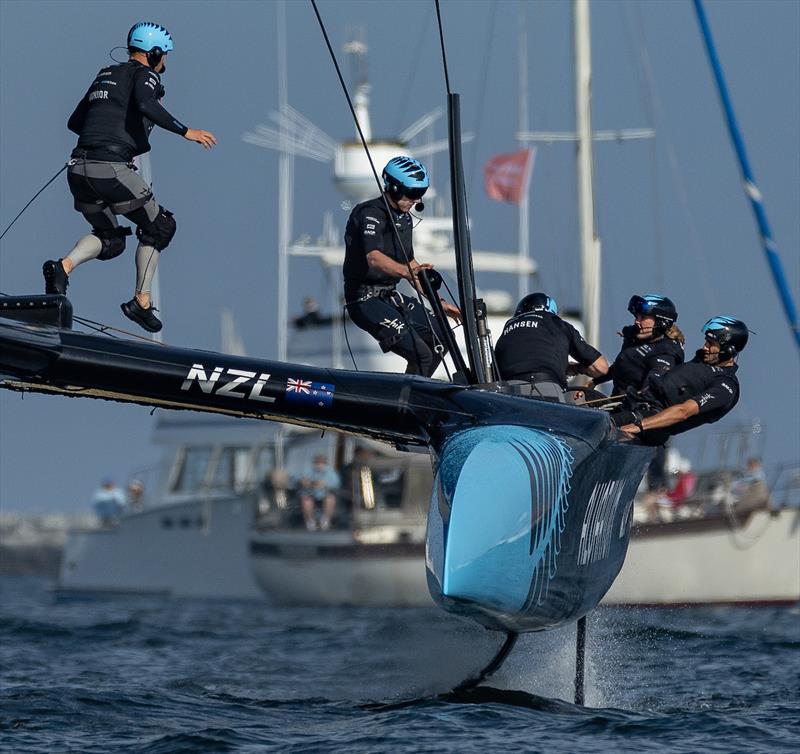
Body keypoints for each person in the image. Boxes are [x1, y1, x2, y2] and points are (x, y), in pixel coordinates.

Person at [42, 21, 217, 333]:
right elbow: (145, 104)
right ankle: (142, 301)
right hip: (111, 170)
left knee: (111, 241)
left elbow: (75, 122)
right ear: (154, 53)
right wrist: (186, 131)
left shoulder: (105, 74)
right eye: (165, 56)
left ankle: (62, 267)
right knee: (160, 227)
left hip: (78, 170)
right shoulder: (145, 74)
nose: (166, 63)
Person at [343, 156, 461, 377]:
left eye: (420, 195)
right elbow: (374, 258)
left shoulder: (405, 218)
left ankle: (415, 395)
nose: (416, 201)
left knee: (444, 336)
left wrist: (439, 302)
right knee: (421, 354)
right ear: (394, 188)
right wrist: (407, 272)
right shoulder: (369, 213)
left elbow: (411, 264)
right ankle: (405, 404)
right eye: (412, 195)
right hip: (365, 300)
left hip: (390, 296)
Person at [617, 316, 749, 444]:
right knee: (597, 410)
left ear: (728, 350)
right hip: (634, 401)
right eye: (706, 341)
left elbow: (684, 411)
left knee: (607, 423)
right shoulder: (703, 360)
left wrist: (639, 426)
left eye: (711, 344)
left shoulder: (726, 386)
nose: (705, 347)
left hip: (651, 420)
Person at [493, 292, 608, 402]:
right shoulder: (557, 324)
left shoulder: (508, 329)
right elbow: (601, 367)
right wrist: (578, 368)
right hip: (546, 389)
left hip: (508, 392)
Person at [588, 294, 684, 396]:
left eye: (643, 317)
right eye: (636, 316)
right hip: (615, 404)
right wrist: (594, 381)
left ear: (662, 323)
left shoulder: (666, 352)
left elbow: (654, 380)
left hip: (639, 408)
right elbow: (623, 365)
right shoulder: (635, 339)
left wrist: (639, 396)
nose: (637, 321)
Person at [297, 454, 341, 531]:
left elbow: (336, 484)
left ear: (325, 463)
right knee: (306, 500)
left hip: (325, 495)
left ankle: (325, 521)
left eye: (321, 463)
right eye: (317, 462)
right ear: (314, 463)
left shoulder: (331, 472)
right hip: (311, 495)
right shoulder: (307, 471)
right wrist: (303, 482)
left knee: (331, 499)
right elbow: (298, 479)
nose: (319, 465)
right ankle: (310, 522)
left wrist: (325, 484)